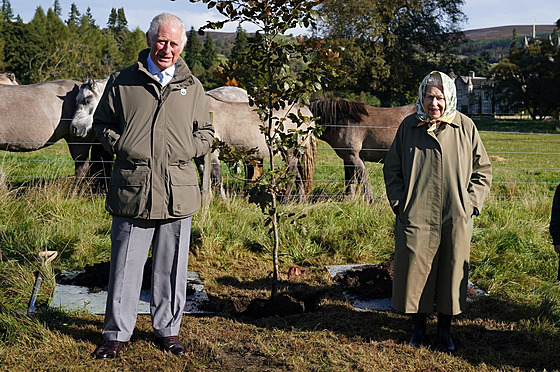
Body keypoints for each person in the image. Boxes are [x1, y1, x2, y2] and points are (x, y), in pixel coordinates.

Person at [92, 13, 214, 359]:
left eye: (174, 43)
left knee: (173, 267)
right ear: (149, 41)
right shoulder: (123, 81)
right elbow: (102, 124)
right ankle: (116, 334)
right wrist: (123, 144)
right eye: (161, 41)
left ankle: (168, 331)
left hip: (178, 190)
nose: (167, 49)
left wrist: (188, 149)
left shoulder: (192, 86)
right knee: (125, 264)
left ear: (182, 46)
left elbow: (206, 132)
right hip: (134, 187)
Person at [383, 71, 492, 352]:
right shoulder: (409, 126)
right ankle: (418, 329)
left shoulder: (465, 127)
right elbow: (392, 169)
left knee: (451, 270)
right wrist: (400, 203)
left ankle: (445, 330)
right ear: (421, 97)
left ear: (449, 98)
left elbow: (483, 171)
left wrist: (471, 203)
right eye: (429, 97)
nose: (434, 103)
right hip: (416, 213)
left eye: (440, 97)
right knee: (415, 271)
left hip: (455, 214)